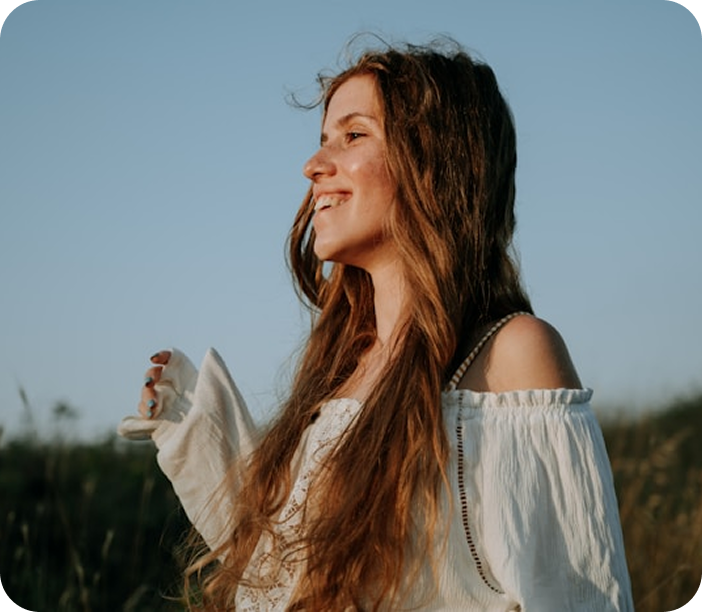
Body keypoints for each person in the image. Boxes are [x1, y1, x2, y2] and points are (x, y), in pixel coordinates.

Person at [118, 37, 634, 611]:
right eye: (321, 142)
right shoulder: (343, 368)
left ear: (435, 162)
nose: (313, 166)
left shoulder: (511, 356)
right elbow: (285, 575)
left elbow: (579, 595)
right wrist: (200, 428)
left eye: (354, 135)